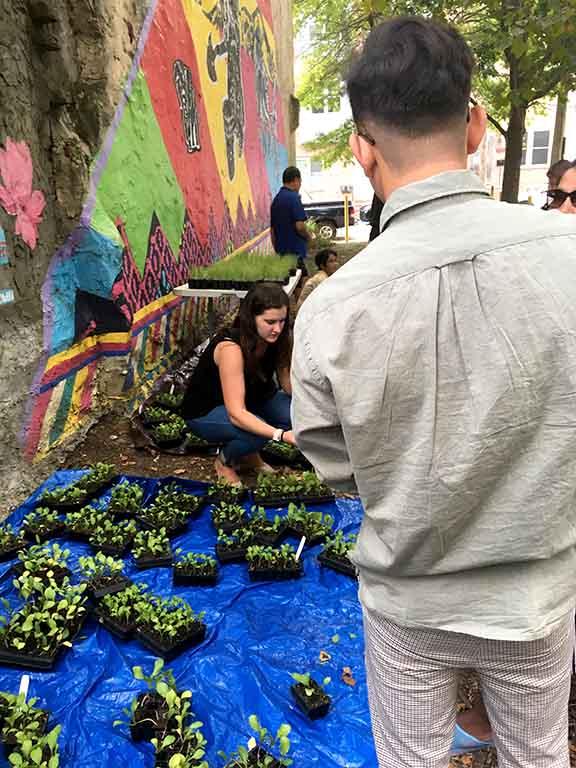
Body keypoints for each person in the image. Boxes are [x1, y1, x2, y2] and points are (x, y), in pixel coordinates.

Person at [291, 16, 576, 768]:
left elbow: (337, 466)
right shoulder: (570, 256)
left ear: (361, 146)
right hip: (537, 598)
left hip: (408, 602)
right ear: (477, 125)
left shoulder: (329, 308)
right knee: (538, 756)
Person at [182, 282, 296, 486]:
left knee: (297, 414)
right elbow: (236, 413)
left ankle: (250, 456)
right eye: (269, 321)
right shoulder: (230, 348)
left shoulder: (279, 338)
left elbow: (287, 383)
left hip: (253, 401)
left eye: (282, 321)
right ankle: (224, 462)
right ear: (251, 319)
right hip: (208, 410)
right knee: (258, 433)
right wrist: (281, 435)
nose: (277, 329)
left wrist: (317, 405)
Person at [270, 167, 312, 273]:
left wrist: (277, 248)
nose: (300, 185)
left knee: (290, 283)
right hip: (295, 251)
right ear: (296, 180)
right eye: (300, 182)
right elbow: (300, 226)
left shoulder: (276, 200)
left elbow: (272, 230)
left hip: (282, 253)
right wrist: (308, 237)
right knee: (301, 280)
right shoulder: (294, 198)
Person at [295, 248, 339, 313]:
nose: (335, 264)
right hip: (306, 316)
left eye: (335, 260)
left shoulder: (324, 276)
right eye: (331, 261)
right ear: (322, 266)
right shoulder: (321, 279)